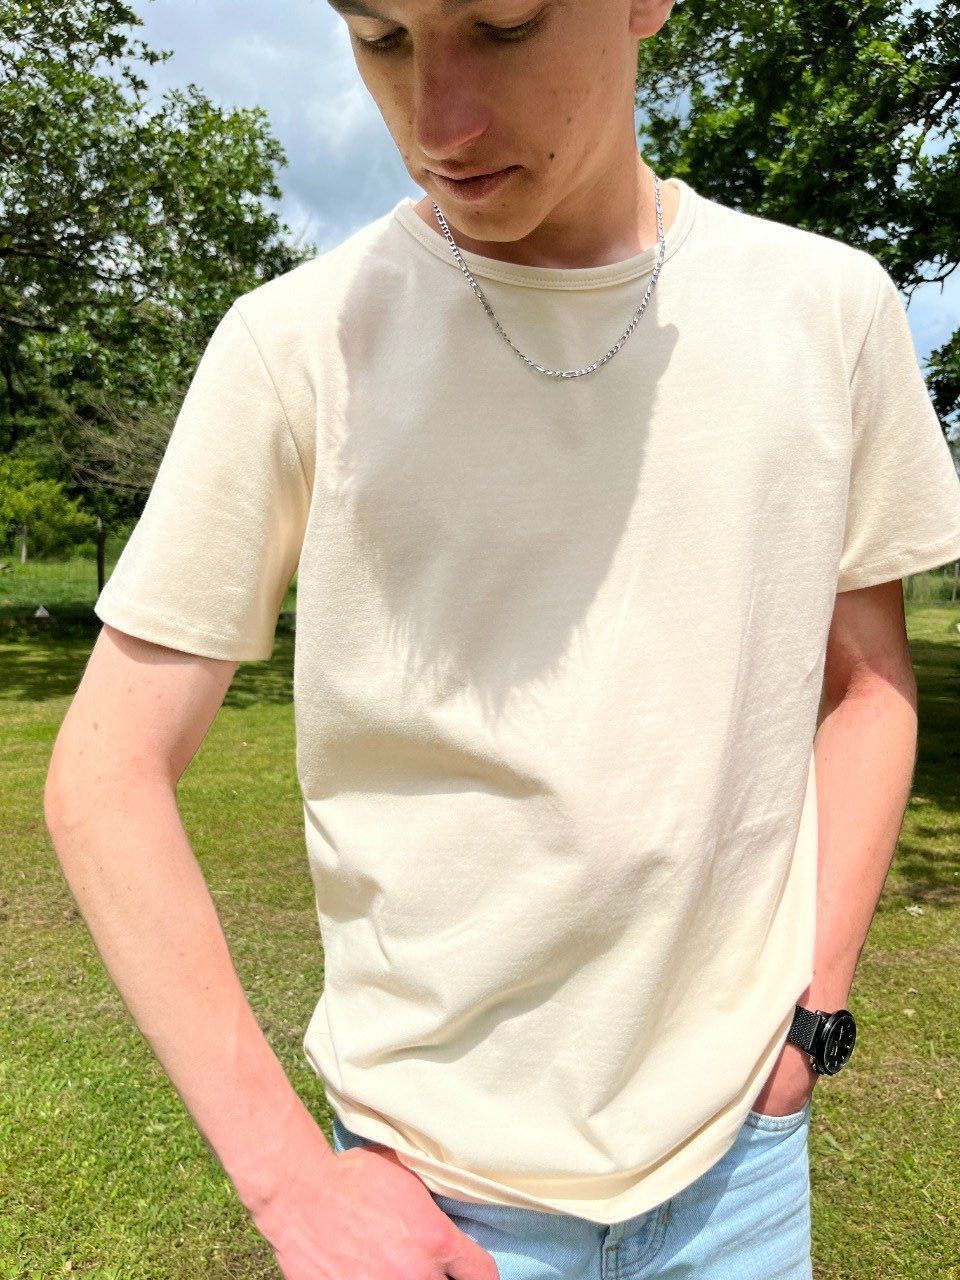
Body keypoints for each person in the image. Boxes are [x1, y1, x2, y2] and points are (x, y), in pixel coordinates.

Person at [44, 0, 960, 1276]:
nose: (438, 123)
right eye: (381, 38)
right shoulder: (298, 344)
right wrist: (289, 1181)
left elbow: (866, 687)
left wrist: (818, 1014)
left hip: (739, 1180)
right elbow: (104, 774)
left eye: (506, 23)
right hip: (435, 1203)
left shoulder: (830, 312)